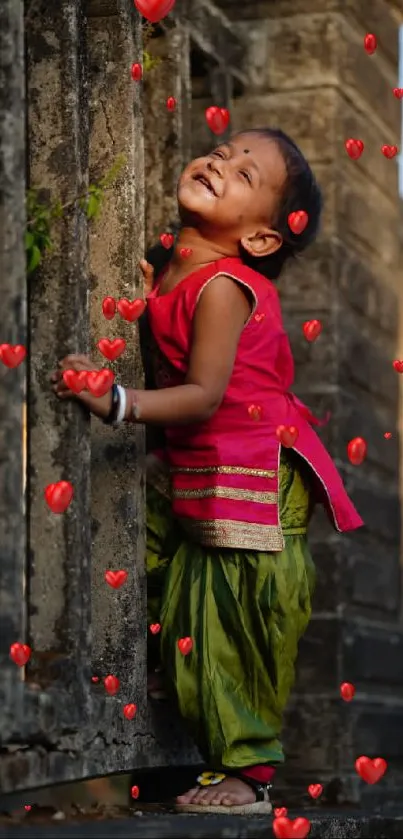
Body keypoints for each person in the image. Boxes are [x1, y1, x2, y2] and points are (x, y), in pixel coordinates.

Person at [51, 128, 363, 815]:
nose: (221, 161)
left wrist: (116, 402)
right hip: (198, 460)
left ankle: (249, 775)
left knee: (226, 613)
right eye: (222, 151)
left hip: (250, 471)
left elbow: (203, 394)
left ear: (258, 239)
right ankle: (171, 669)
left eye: (245, 173)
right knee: (154, 557)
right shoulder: (170, 259)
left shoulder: (224, 287)